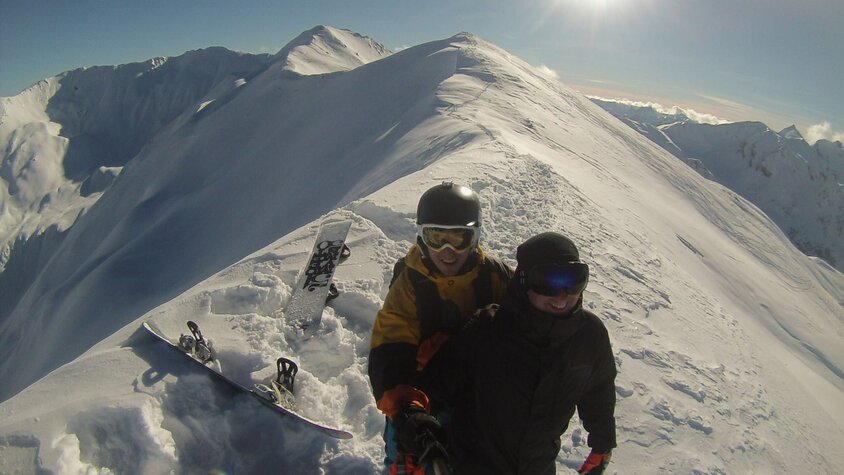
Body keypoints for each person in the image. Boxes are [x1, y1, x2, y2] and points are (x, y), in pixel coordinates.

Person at [410, 231, 617, 474]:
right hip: (470, 466)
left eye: (574, 280)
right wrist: (416, 438)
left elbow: (598, 388)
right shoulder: (488, 331)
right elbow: (431, 389)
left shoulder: (589, 336)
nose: (562, 296)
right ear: (523, 281)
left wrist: (602, 443)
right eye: (547, 282)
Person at [368, 182, 513, 473]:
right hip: (420, 389)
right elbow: (392, 345)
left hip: (477, 390)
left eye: (459, 238)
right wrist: (408, 411)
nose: (447, 252)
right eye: (436, 238)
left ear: (474, 238)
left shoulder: (493, 277)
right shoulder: (411, 283)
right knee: (406, 453)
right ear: (421, 237)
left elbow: (535, 311)